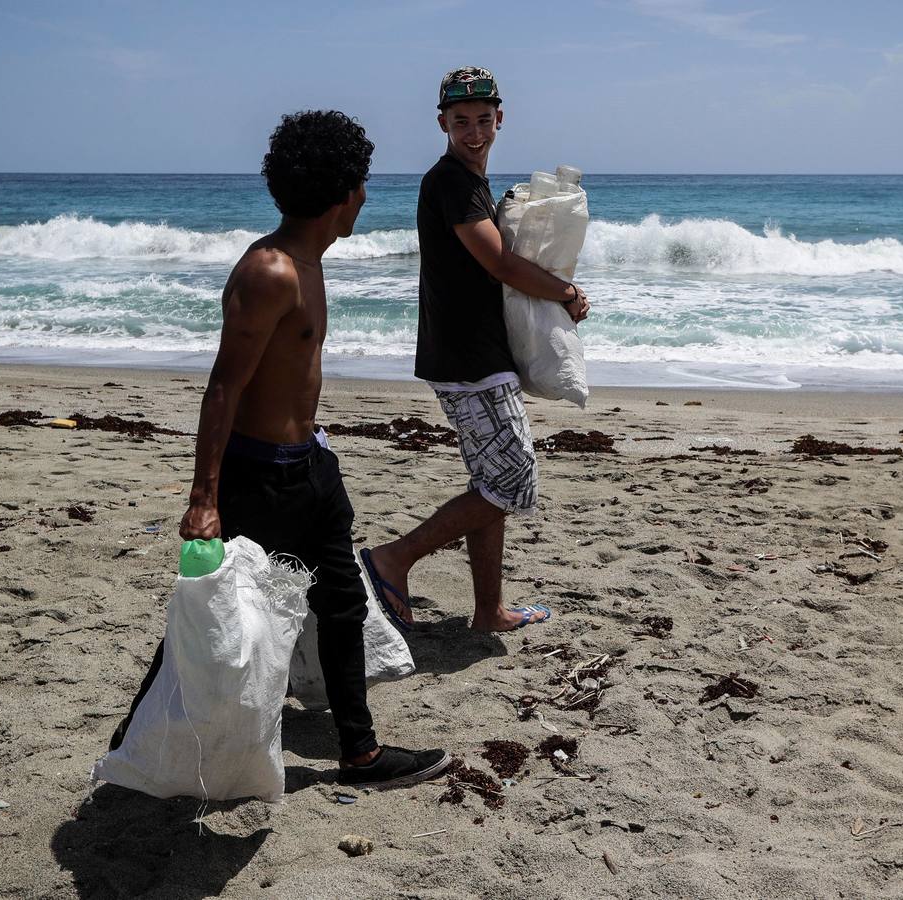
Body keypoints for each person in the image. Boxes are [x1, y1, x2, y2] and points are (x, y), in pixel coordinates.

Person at [113, 110, 449, 790]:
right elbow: (223, 387)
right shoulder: (271, 272)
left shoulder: (308, 262)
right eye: (362, 187)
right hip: (257, 476)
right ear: (346, 194)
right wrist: (203, 498)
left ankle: (360, 753)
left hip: (310, 468)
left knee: (344, 604)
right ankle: (134, 743)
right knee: (211, 615)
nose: (364, 199)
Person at [360, 67, 590, 634]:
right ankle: (394, 558)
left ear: (500, 119)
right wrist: (565, 293)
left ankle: (487, 610)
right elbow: (498, 262)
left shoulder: (470, 180)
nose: (474, 132)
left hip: (477, 353)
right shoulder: (452, 183)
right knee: (514, 482)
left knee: (492, 480)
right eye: (461, 122)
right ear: (442, 123)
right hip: (468, 358)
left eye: (483, 120)